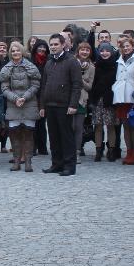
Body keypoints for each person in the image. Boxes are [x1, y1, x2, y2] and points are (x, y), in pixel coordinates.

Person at [40, 33, 83, 176]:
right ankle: (56, 164)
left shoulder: (72, 61)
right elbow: (44, 85)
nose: (53, 47)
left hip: (65, 105)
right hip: (50, 104)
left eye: (56, 44)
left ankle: (69, 166)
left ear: (63, 45)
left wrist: (73, 104)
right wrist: (42, 106)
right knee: (53, 137)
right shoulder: (49, 62)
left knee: (66, 137)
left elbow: (77, 85)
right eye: (51, 45)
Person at [0, 41, 41, 172]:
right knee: (14, 135)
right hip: (13, 105)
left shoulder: (31, 67)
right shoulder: (6, 69)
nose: (15, 53)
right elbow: (4, 88)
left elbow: (35, 85)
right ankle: (16, 161)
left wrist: (25, 97)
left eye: (17, 50)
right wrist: (15, 98)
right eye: (13, 51)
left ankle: (28, 162)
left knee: (28, 134)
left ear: (22, 52)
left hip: (29, 103)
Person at [112, 37, 134, 165]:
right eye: (123, 47)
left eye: (128, 46)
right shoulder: (119, 60)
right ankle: (129, 151)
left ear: (133, 46)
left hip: (132, 97)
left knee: (133, 126)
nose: (125, 48)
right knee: (125, 127)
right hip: (121, 97)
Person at [90, 42, 119, 162]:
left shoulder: (116, 65)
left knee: (111, 126)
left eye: (107, 51)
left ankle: (111, 150)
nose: (104, 53)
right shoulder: (96, 65)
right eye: (102, 51)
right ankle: (98, 150)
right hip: (98, 99)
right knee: (98, 125)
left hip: (110, 100)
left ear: (111, 52)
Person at [72, 42, 96, 163]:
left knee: (78, 127)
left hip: (82, 100)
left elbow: (89, 87)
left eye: (87, 50)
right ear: (78, 51)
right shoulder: (71, 62)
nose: (84, 52)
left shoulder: (91, 67)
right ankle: (68, 151)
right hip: (70, 99)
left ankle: (76, 152)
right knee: (69, 126)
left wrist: (79, 79)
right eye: (82, 49)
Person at [30, 39, 51, 156]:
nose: (42, 49)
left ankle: (42, 147)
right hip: (33, 95)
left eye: (44, 48)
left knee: (42, 123)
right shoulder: (30, 61)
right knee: (33, 123)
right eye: (40, 47)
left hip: (45, 95)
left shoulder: (48, 61)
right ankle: (33, 147)